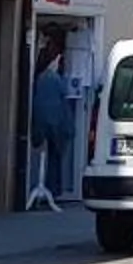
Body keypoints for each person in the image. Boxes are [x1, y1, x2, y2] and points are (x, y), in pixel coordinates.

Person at [30, 46, 77, 199]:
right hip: (54, 126)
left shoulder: (41, 79)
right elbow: (58, 105)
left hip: (45, 125)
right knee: (55, 160)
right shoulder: (52, 79)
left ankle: (49, 189)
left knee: (50, 159)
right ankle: (53, 190)